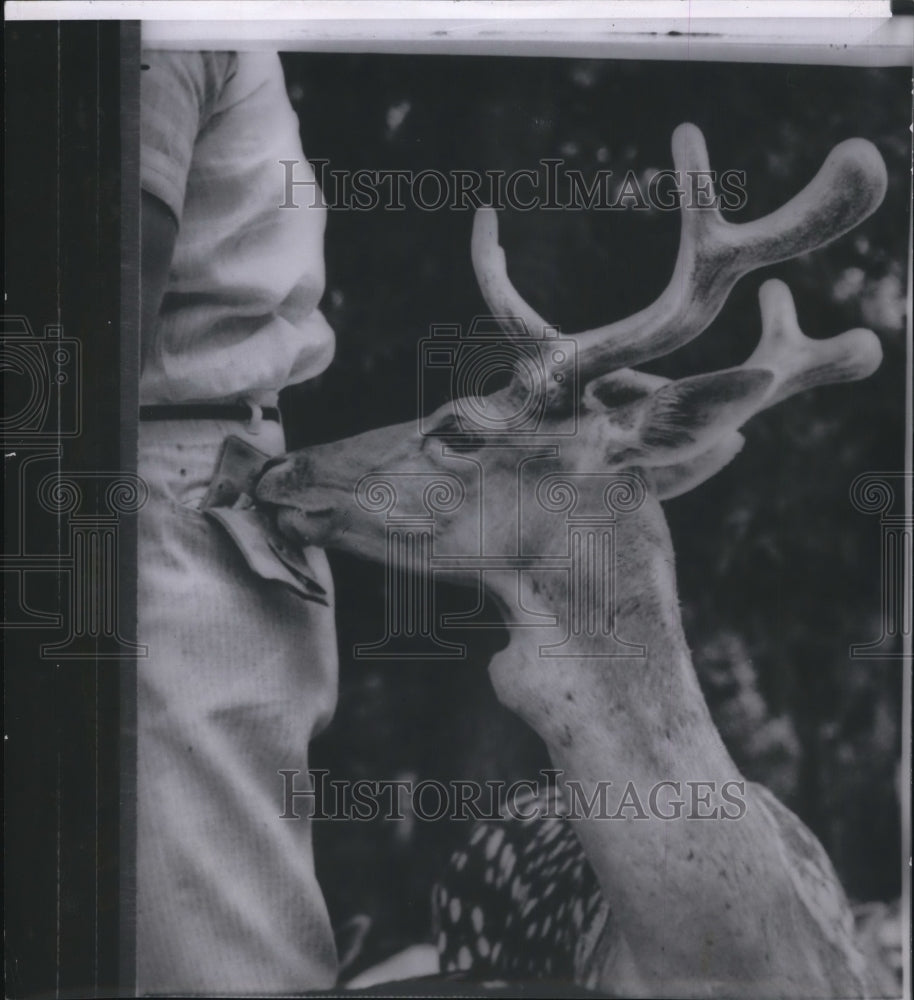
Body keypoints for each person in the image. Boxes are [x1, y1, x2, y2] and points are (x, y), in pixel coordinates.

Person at [137, 49, 339, 994]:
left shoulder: (152, 29)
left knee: (218, 968)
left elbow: (98, 307)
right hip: (187, 477)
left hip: (156, 485)